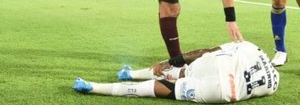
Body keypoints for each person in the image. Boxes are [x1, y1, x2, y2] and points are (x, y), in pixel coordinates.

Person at [73, 41, 278, 103]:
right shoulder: (273, 84)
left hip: (219, 69)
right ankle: (93, 87)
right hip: (224, 94)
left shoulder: (248, 46)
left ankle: (130, 74)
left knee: (180, 71)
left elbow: (206, 52)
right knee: (165, 89)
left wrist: (171, 61)